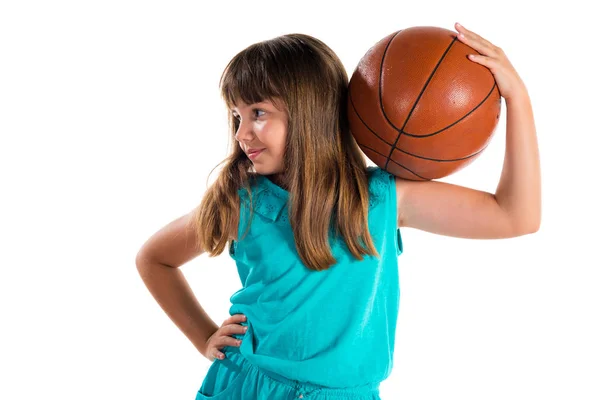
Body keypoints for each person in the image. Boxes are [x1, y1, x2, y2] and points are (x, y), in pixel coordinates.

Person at [135, 22, 541, 400]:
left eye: (258, 113)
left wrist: (517, 98)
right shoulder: (239, 202)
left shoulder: (382, 199)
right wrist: (205, 337)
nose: (241, 133)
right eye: (237, 116)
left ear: (310, 112)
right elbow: (154, 259)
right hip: (250, 384)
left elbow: (516, 216)